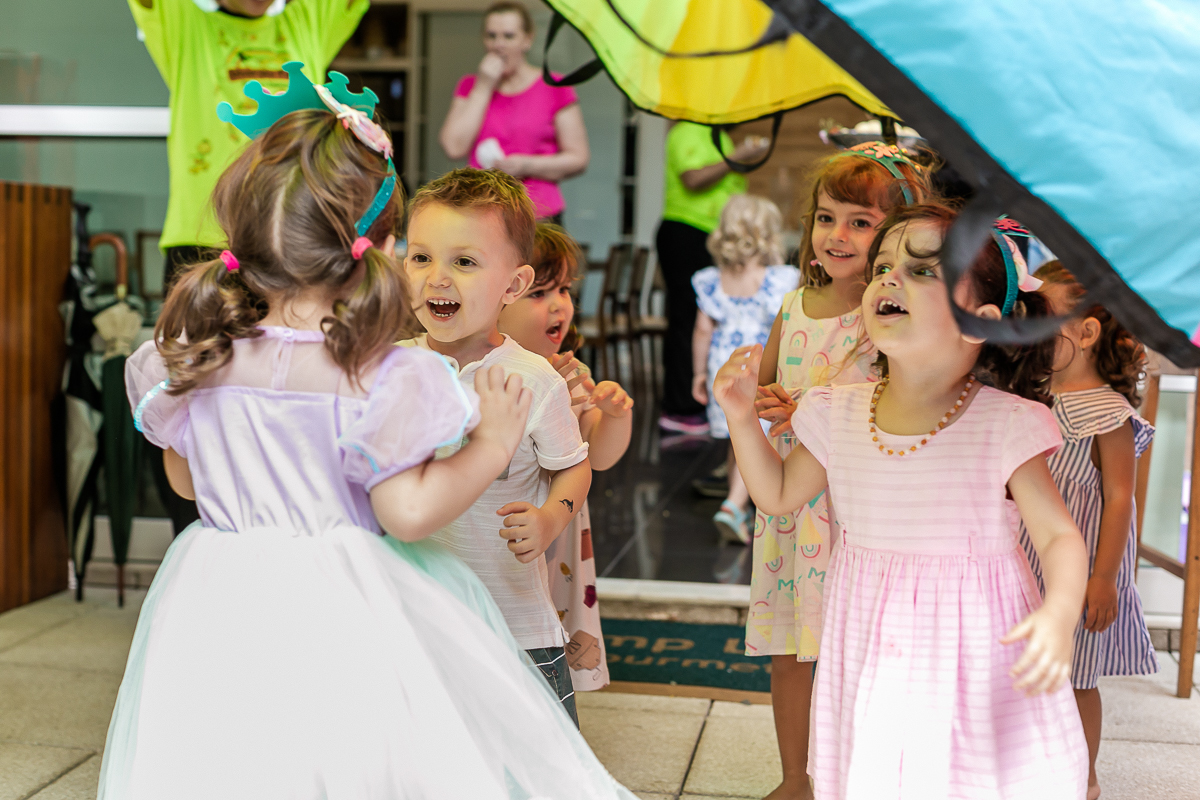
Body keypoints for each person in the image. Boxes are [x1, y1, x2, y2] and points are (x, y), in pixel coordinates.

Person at [98, 95, 633, 798]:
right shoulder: (376, 373)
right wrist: (491, 441)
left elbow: (187, 484)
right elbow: (407, 514)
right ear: (378, 251)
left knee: (239, 755)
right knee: (345, 757)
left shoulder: (206, 356)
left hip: (215, 591)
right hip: (336, 596)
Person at [714, 203, 1090, 799]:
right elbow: (778, 495)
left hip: (974, 642)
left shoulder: (1004, 424)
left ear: (980, 324)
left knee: (969, 775)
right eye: (883, 267)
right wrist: (740, 417)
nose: (889, 279)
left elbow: (1058, 535)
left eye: (921, 270)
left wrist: (1061, 611)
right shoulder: (836, 409)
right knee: (882, 770)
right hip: (870, 634)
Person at [127, 0, 368, 535]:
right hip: (203, 246)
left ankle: (287, 535)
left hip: (293, 247)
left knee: (290, 400)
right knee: (193, 401)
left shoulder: (308, 18)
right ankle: (201, 541)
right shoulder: (184, 23)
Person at [744, 142, 932, 800]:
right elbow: (768, 388)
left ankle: (859, 778)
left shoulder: (895, 317)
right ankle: (795, 778)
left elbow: (904, 405)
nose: (838, 235)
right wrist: (768, 401)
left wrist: (818, 409)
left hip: (856, 514)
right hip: (794, 511)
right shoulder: (794, 306)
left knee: (859, 653)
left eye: (860, 222)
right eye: (827, 218)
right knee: (790, 652)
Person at [401, 168, 592, 725]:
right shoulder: (389, 368)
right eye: (421, 257)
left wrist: (550, 520)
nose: (437, 278)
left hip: (514, 622)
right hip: (416, 616)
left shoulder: (533, 378)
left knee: (532, 758)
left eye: (464, 261)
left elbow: (574, 468)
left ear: (512, 285)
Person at [1022, 260, 1158, 800]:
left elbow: (1121, 498)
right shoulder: (1032, 398)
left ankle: (1085, 778)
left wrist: (1102, 578)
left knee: (1075, 677)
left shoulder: (1108, 412)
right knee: (1028, 673)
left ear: (1085, 332)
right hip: (1026, 561)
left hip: (1080, 570)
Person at [499, 222, 634, 696]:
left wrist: (613, 415)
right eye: (539, 293)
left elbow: (599, 456)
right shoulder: (487, 376)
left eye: (564, 290)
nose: (559, 305)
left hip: (558, 545)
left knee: (548, 655)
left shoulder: (571, 376)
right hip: (506, 540)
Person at [690, 195, 798, 544]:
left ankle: (739, 503)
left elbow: (702, 330)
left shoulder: (711, 280)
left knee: (739, 436)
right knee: (755, 437)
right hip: (759, 367)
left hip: (724, 366)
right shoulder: (779, 279)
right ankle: (735, 505)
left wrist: (699, 374)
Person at [657, 121, 770, 434]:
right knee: (687, 319)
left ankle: (703, 403)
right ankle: (680, 408)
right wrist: (739, 156)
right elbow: (693, 179)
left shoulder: (719, 137)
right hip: (688, 230)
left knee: (704, 320)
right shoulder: (687, 131)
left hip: (712, 233)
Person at [439, 1, 589, 223]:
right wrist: (484, 86)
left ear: (527, 39)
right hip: (483, 215)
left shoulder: (555, 86)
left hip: (539, 216)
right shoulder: (471, 86)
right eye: (491, 36)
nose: (498, 45)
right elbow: (453, 147)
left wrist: (526, 165)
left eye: (508, 36)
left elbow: (578, 158)